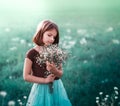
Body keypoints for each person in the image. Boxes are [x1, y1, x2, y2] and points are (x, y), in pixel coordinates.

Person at [23, 20, 72, 106]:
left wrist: (54, 71)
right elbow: (26, 76)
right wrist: (45, 80)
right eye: (49, 35)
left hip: (57, 87)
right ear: (40, 33)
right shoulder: (31, 53)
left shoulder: (55, 52)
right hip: (41, 89)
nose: (52, 39)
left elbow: (60, 74)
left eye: (54, 37)